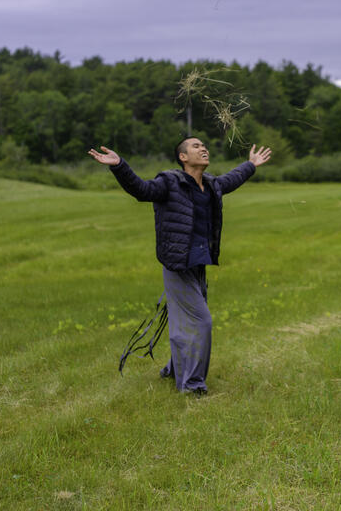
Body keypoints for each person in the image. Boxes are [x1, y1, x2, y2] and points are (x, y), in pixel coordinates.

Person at [89, 138, 272, 395]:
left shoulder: (210, 185)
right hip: (177, 265)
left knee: (181, 323)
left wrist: (251, 164)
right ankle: (192, 384)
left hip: (198, 263)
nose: (204, 148)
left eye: (204, 145)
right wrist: (119, 165)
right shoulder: (170, 183)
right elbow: (141, 190)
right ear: (183, 157)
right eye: (196, 146)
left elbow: (231, 179)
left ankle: (175, 370)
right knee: (201, 323)